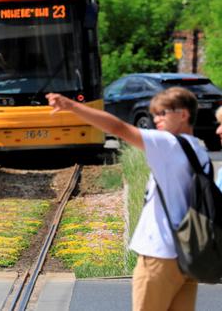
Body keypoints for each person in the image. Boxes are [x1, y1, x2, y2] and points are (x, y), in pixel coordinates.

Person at [47, 87, 210, 311]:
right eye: (155, 113)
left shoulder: (167, 144)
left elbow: (118, 128)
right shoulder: (198, 149)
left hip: (159, 256)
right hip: (190, 255)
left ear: (184, 114)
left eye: (163, 113)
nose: (156, 118)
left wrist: (72, 106)